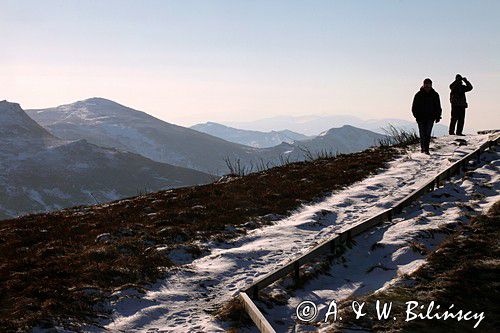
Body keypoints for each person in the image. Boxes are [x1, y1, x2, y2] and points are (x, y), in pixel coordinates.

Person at [411, 78, 442, 155]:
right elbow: (414, 107)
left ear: (431, 85)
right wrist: (416, 116)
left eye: (428, 84)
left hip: (430, 118)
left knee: (427, 134)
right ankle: (423, 149)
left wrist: (438, 116)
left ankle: (426, 149)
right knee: (422, 134)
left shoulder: (435, 95)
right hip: (421, 118)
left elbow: (438, 106)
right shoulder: (418, 95)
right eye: (426, 84)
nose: (427, 86)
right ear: (423, 84)